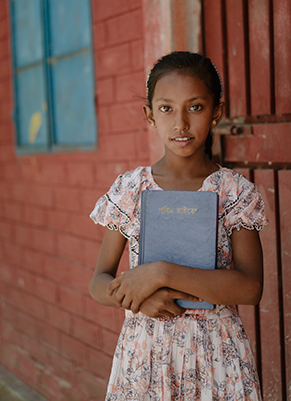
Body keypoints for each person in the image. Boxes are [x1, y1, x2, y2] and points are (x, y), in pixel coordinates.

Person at [89, 51, 267, 400]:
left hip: (216, 356)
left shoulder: (234, 192)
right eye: (167, 108)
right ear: (150, 115)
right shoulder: (131, 189)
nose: (181, 123)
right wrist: (135, 301)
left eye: (196, 107)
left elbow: (250, 288)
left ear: (216, 112)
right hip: (145, 357)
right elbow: (99, 282)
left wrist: (162, 273)